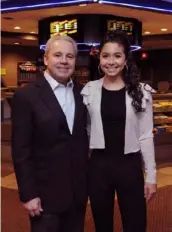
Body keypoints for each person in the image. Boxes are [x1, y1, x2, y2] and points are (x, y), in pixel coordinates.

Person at [11, 35, 89, 232]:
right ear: (46, 59)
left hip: (77, 194)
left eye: (70, 56)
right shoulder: (26, 96)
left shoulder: (83, 94)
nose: (64, 61)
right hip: (44, 197)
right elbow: (21, 151)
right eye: (58, 55)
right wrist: (28, 194)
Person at [81, 31, 157, 232]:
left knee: (136, 224)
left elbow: (146, 135)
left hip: (129, 166)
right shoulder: (89, 90)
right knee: (102, 225)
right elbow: (86, 131)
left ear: (125, 59)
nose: (111, 61)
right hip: (98, 167)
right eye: (106, 55)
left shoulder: (141, 92)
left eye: (117, 55)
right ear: (99, 58)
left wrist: (151, 176)